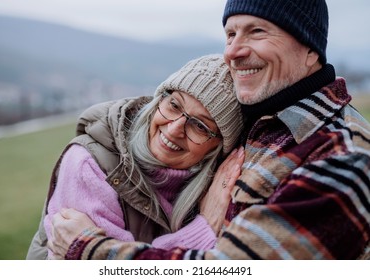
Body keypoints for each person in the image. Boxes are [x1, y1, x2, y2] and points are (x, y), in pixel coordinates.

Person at [48, 0, 370, 260]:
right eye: (230, 35)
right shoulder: (265, 124)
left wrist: (87, 251)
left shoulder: (342, 155)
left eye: (257, 31)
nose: (233, 51)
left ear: (310, 48)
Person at [26, 54, 245, 259]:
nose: (174, 128)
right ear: (159, 100)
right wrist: (202, 230)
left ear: (218, 147)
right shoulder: (90, 165)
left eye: (199, 125)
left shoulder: (217, 186)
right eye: (174, 105)